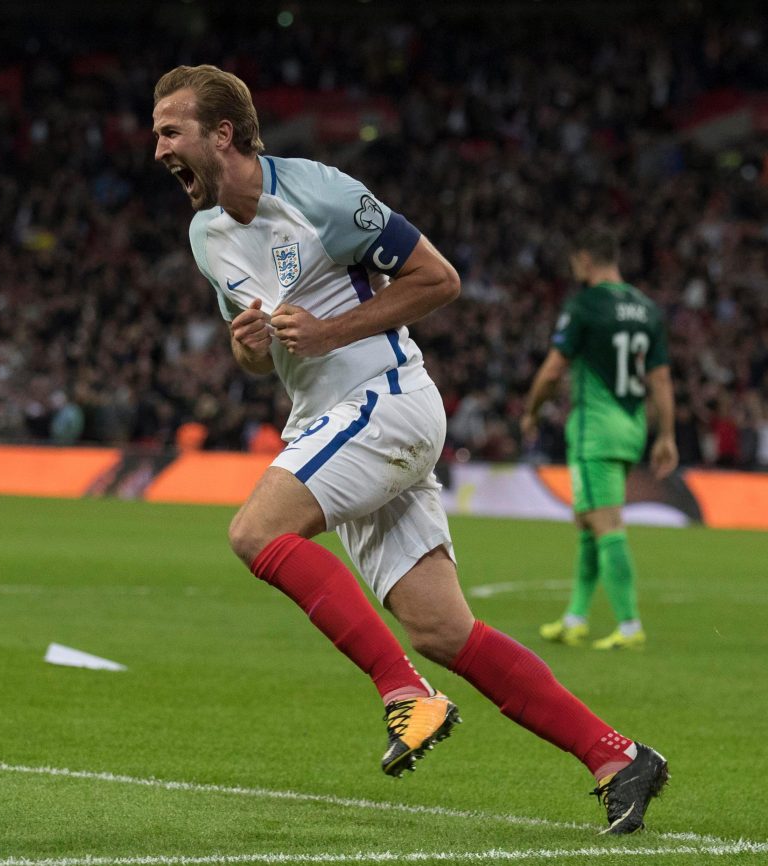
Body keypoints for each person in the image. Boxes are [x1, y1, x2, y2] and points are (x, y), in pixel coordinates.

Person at [152, 65, 669, 834]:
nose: (157, 148)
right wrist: (250, 347)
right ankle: (617, 757)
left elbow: (439, 278)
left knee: (255, 532)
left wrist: (327, 332)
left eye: (170, 131)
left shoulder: (319, 193)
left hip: (387, 400)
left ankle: (406, 693)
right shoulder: (206, 235)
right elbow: (262, 358)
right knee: (441, 630)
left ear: (220, 134)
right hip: (328, 421)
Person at [522, 228, 677, 650]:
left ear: (586, 259)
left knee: (605, 524)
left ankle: (630, 626)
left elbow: (554, 371)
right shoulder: (647, 309)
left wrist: (531, 411)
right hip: (632, 425)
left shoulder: (585, 305)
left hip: (595, 428)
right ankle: (575, 618)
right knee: (589, 523)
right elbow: (660, 377)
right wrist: (666, 434)